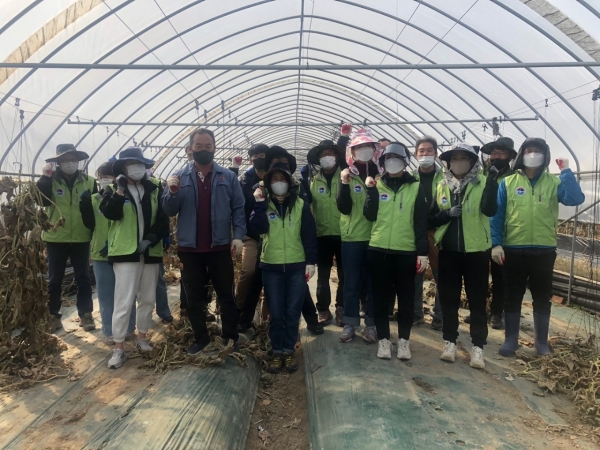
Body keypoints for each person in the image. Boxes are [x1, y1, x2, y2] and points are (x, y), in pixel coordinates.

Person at [492, 138, 584, 357]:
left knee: (542, 297)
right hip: (514, 248)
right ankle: (511, 340)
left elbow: (574, 198)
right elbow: (497, 215)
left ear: (545, 156)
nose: (533, 154)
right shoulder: (508, 182)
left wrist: (566, 171)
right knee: (513, 296)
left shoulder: (554, 182)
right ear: (521, 155)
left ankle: (541, 342)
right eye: (529, 150)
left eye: (538, 151)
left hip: (544, 250)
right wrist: (496, 243)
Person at [163, 128, 245, 355]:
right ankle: (201, 338)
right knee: (194, 298)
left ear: (215, 148)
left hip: (220, 247)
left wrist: (238, 236)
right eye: (198, 146)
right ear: (191, 148)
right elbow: (169, 210)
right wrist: (172, 192)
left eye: (208, 146)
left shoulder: (227, 177)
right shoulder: (179, 177)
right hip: (190, 249)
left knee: (226, 295)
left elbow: (238, 208)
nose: (203, 150)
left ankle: (230, 337)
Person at [428, 143, 499, 369]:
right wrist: (447, 214)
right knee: (449, 299)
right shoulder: (441, 186)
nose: (458, 162)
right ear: (448, 162)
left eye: (463, 158)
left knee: (477, 300)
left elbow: (490, 210)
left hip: (476, 251)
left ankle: (478, 347)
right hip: (449, 251)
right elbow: (431, 218)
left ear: (472, 161)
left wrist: (492, 184)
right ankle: (449, 341)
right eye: (454, 158)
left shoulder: (483, 182)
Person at [100, 147, 169, 369]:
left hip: (150, 251)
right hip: (125, 252)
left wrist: (151, 238)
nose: (136, 168)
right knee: (124, 300)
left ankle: (142, 338)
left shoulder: (155, 189)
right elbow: (110, 213)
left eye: (139, 164)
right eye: (131, 164)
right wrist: (120, 191)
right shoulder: (112, 190)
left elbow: (163, 218)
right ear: (123, 168)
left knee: (147, 297)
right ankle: (119, 347)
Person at [249, 154, 318, 373]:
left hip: (297, 265)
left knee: (292, 311)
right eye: (274, 179)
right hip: (271, 266)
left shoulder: (300, 204)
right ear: (268, 183)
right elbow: (257, 228)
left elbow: (309, 234)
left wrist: (311, 261)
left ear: (289, 182)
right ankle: (277, 351)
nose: (279, 182)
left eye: (282, 179)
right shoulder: (264, 204)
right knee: (276, 313)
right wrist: (260, 204)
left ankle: (289, 351)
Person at [363, 143, 429, 360]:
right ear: (383, 163)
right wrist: (370, 191)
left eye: (397, 159)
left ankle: (403, 341)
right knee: (380, 297)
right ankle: (383, 340)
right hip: (378, 248)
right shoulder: (376, 184)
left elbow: (420, 222)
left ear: (404, 162)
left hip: (406, 251)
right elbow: (369, 215)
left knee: (406, 297)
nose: (392, 162)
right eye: (388, 159)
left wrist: (422, 252)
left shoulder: (416, 187)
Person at [36, 144, 97, 332]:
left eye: (73, 160)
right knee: (55, 279)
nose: (70, 163)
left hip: (81, 236)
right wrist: (45, 178)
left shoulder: (89, 181)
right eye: (65, 160)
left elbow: (95, 208)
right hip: (56, 237)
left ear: (78, 161)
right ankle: (53, 316)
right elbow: (41, 200)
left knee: (83, 277)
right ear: (58, 163)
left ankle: (86, 315)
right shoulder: (50, 181)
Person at [80, 162, 136, 344]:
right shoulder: (93, 199)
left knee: (126, 294)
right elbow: (90, 225)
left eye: (108, 176)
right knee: (105, 295)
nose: (104, 179)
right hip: (100, 255)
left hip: (123, 251)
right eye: (101, 177)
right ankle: (109, 330)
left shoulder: (127, 196)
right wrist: (84, 207)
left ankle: (128, 328)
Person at [337, 127, 382, 344]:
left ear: (375, 150)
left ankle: (371, 325)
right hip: (353, 237)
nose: (364, 150)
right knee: (351, 283)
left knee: (373, 283)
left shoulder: (381, 175)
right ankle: (350, 323)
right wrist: (344, 185)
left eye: (367, 147)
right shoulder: (347, 175)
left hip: (376, 237)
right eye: (359, 147)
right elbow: (343, 207)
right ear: (352, 152)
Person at [303, 140, 346, 326]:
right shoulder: (314, 181)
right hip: (321, 234)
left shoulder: (345, 176)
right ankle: (323, 309)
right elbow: (308, 205)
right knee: (323, 275)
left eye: (330, 153)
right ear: (319, 159)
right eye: (323, 155)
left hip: (344, 233)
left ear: (336, 156)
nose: (326, 157)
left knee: (344, 275)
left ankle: (341, 308)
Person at [479, 137, 517, 330]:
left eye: (501, 153)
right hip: (480, 234)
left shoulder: (513, 179)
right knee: (479, 276)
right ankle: (480, 311)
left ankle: (496, 313)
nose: (496, 156)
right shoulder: (482, 176)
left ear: (510, 156)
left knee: (500, 277)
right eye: (493, 153)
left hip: (503, 236)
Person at [412, 136, 444, 331]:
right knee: (415, 273)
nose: (425, 154)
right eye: (421, 151)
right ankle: (416, 313)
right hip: (415, 231)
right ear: (416, 155)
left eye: (429, 150)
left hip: (437, 232)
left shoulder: (445, 178)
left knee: (441, 274)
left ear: (436, 154)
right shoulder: (410, 178)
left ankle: (439, 315)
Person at [236, 143, 269, 331]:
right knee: (248, 271)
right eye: (255, 156)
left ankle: (266, 317)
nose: (258, 158)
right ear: (250, 160)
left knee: (269, 276)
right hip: (250, 234)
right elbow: (239, 206)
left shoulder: (276, 177)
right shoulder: (245, 180)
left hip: (272, 235)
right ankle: (239, 308)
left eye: (262, 155)